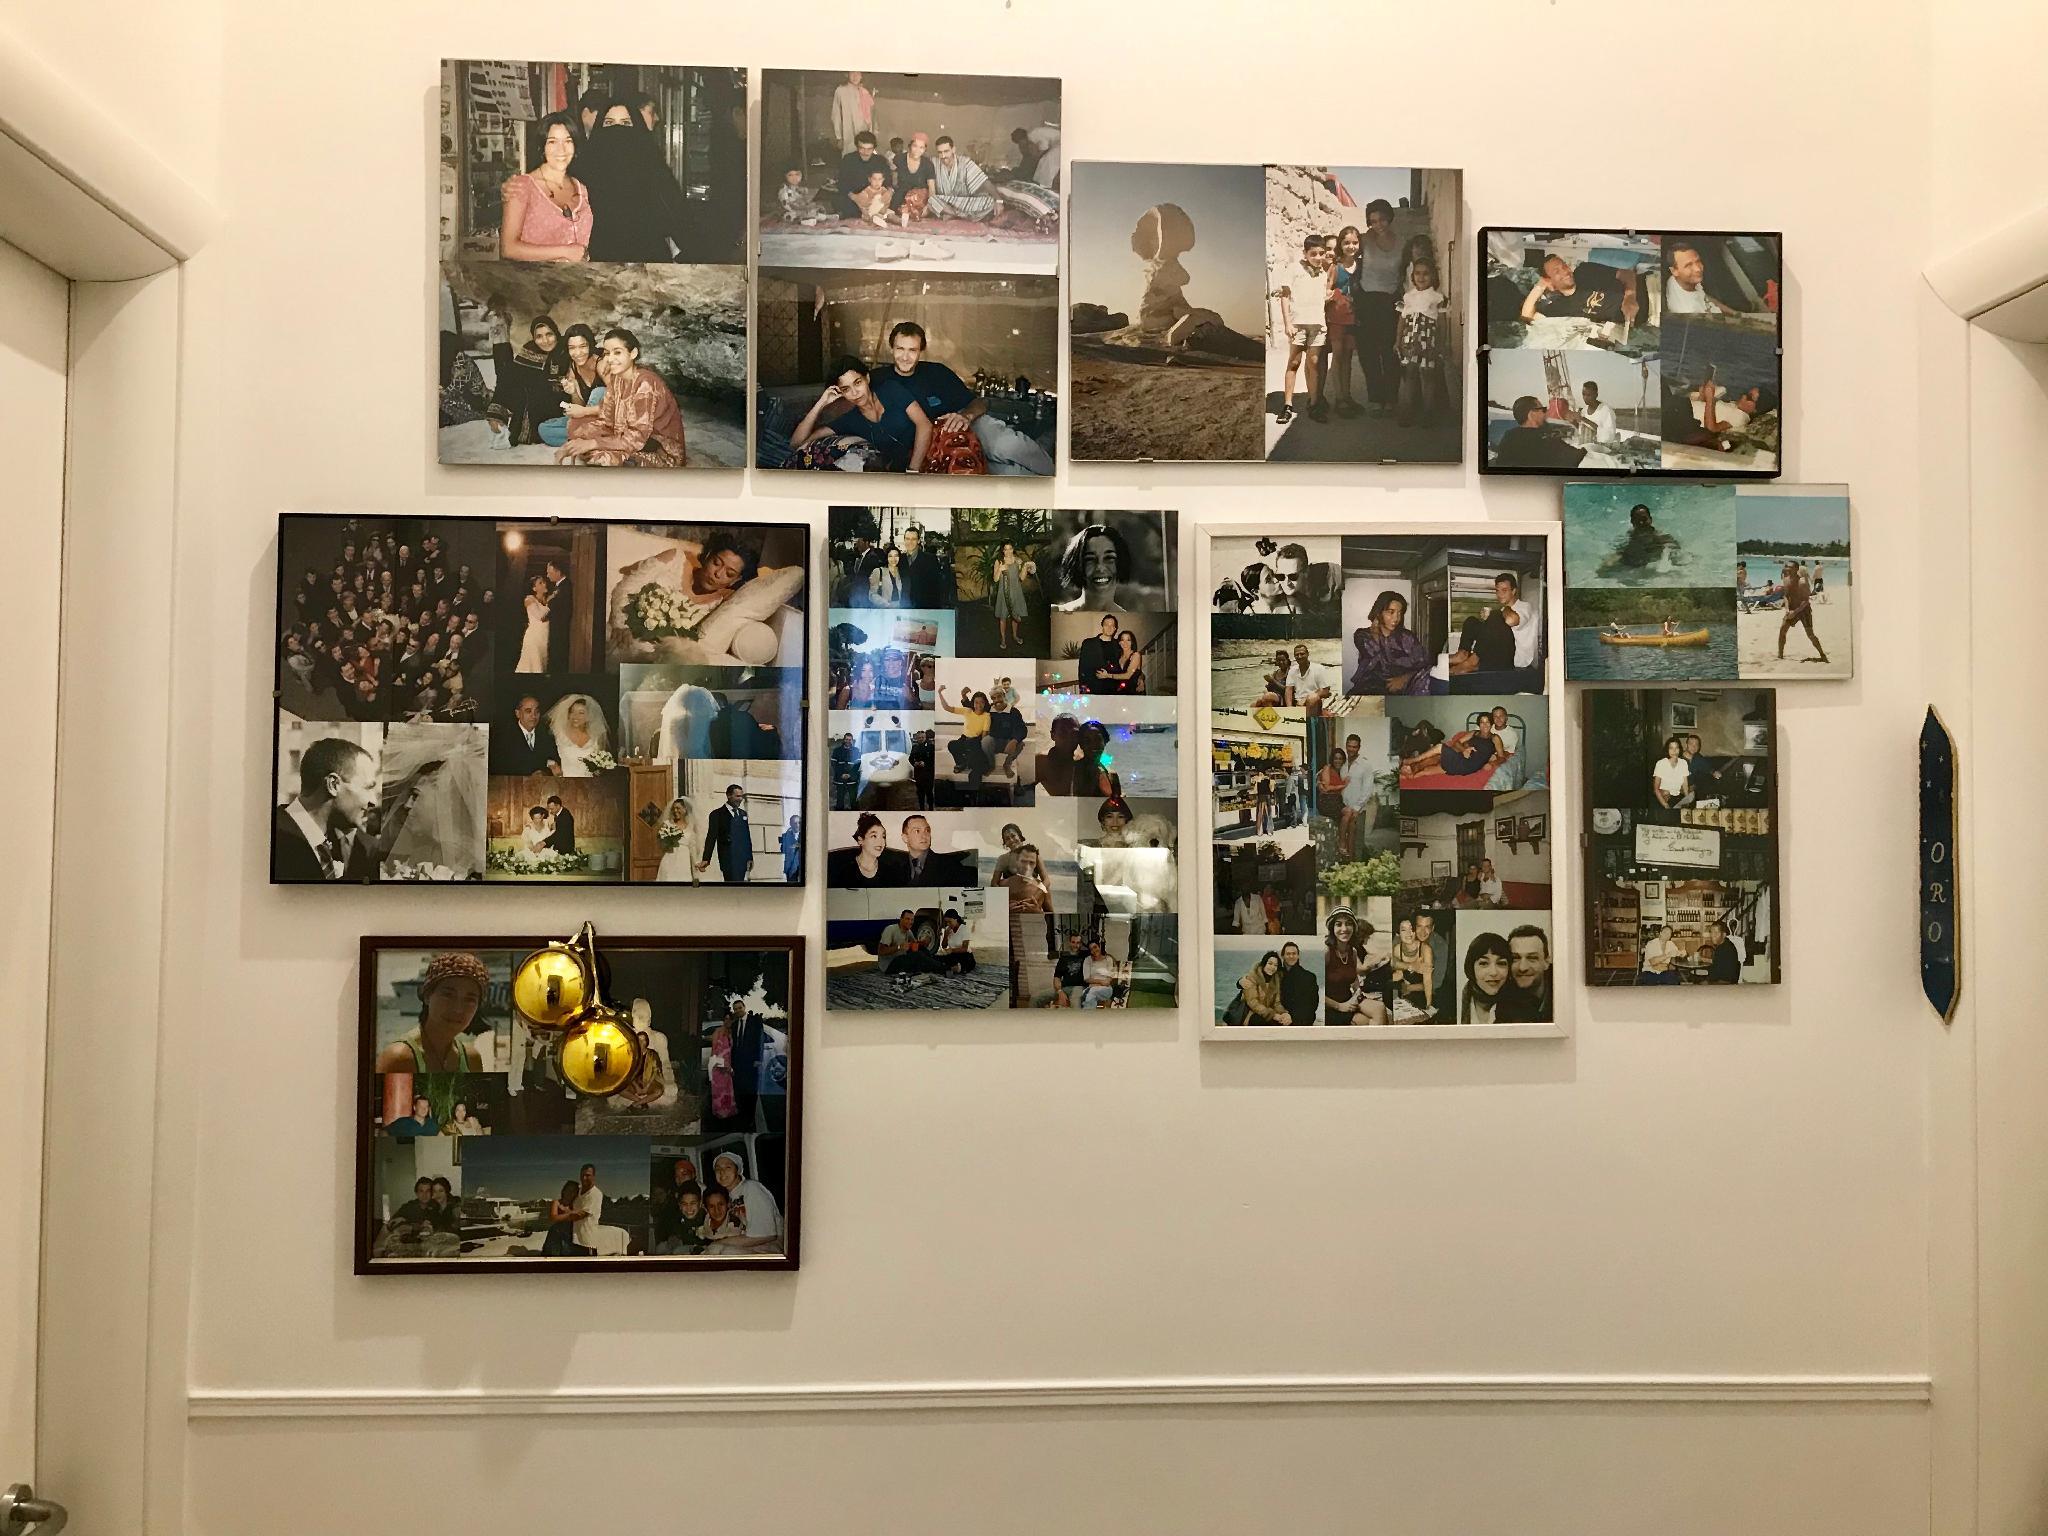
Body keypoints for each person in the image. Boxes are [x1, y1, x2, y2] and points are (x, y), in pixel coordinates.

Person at [554, 328, 688, 467]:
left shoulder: (645, 383)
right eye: (607, 353)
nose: (610, 359)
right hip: (624, 435)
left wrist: (592, 443)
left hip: (657, 448)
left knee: (603, 458)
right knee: (577, 428)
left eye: (617, 352)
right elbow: (606, 420)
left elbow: (636, 439)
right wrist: (579, 438)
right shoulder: (617, 379)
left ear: (633, 353)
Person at [578, 102, 688, 262]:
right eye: (609, 123)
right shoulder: (583, 169)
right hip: (596, 264)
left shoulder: (654, 168)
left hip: (649, 262)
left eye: (625, 123)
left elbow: (677, 217)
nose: (617, 130)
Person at [792, 354, 926, 472]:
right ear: (840, 392)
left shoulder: (891, 390)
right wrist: (821, 403)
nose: (855, 393)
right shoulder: (850, 420)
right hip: (894, 478)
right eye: (846, 389)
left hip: (925, 463)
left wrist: (913, 471)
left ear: (867, 378)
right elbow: (797, 444)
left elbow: (924, 425)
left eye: (857, 383)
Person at [377, 951, 490, 1073]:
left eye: (470, 999)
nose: (458, 1009)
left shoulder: (472, 1060)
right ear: (427, 996)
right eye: (448, 995)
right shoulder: (399, 1059)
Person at [498, 114, 591, 263]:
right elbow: (508, 248)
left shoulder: (581, 188)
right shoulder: (522, 186)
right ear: (542, 147)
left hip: (578, 275)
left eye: (568, 141)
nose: (561, 149)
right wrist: (565, 251)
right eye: (552, 142)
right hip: (533, 276)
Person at [1391, 253, 1451, 427]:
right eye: (1417, 273)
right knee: (1409, 374)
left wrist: (1441, 344)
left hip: (1428, 340)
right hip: (1410, 339)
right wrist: (1398, 341)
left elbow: (1442, 323)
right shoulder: (1408, 297)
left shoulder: (1438, 297)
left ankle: (1428, 413)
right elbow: (1402, 320)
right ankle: (1407, 411)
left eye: (1426, 273)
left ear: (1433, 276)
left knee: (1427, 375)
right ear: (1413, 276)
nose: (1421, 277)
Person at [1277, 235, 1330, 426]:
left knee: (1314, 362)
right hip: (1298, 324)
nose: (1318, 257)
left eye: (1321, 253)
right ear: (1305, 253)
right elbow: (1285, 296)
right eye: (1313, 254)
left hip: (1317, 325)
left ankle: (1314, 403)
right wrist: (1287, 324)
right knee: (1294, 362)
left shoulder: (1323, 273)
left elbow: (1319, 297)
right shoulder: (1294, 269)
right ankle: (1287, 405)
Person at [492, 316, 569, 447]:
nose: (545, 341)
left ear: (556, 333)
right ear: (533, 338)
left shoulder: (567, 350)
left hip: (565, 407)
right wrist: (497, 415)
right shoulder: (529, 351)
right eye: (539, 336)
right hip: (535, 410)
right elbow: (507, 380)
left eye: (549, 334)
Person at [1518, 250, 1641, 329]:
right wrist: (1540, 286)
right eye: (1557, 271)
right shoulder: (1560, 307)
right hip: (1641, 320)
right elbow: (1526, 316)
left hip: (1647, 292)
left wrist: (1630, 296)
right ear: (1549, 281)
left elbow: (1627, 274)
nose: (1565, 271)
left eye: (1564, 265)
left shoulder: (1585, 271)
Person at [536, 324, 608, 448]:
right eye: (572, 348)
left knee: (599, 391)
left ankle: (590, 438)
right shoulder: (573, 368)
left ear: (590, 345)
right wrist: (573, 392)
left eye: (583, 346)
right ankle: (590, 438)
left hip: (607, 419)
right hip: (588, 421)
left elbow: (619, 405)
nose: (578, 353)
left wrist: (585, 411)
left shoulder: (601, 365)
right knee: (544, 428)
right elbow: (580, 407)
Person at [1052, 522, 1150, 612]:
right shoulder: (1055, 613)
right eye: (1090, 559)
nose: (1100, 567)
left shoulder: (1131, 622)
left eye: (1109, 558)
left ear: (1120, 563)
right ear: (1077, 564)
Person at [1349, 591, 1433, 695]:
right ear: (1379, 612)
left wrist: (1404, 678)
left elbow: (1425, 664)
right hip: (1372, 687)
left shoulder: (1407, 637)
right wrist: (1376, 631)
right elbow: (1381, 661)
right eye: (1391, 612)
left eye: (1399, 613)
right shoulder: (1363, 635)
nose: (1396, 618)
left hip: (1404, 688)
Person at [710, 1148, 783, 1252]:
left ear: (738, 1171)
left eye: (728, 1167)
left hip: (771, 1247)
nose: (722, 1172)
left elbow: (766, 1235)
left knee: (721, 1250)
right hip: (751, 1245)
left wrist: (719, 1243)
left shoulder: (751, 1188)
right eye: (718, 1169)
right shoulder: (728, 1197)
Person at [1492, 395, 1587, 469]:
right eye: (1543, 409)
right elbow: (1576, 458)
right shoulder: (1545, 439)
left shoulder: (1509, 437)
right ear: (1531, 415)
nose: (1545, 413)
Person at [928, 134, 995, 221]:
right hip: (944, 201)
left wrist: (999, 200)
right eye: (940, 152)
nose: (943, 156)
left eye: (946, 151)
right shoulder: (933, 163)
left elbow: (983, 181)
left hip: (963, 202)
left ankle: (952, 214)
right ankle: (960, 215)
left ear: (953, 149)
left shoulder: (965, 162)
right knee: (932, 201)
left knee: (990, 202)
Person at [937, 685, 994, 785]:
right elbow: (947, 708)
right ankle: (961, 763)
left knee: (975, 763)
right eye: (976, 702)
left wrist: (982, 750)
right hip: (964, 739)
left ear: (985, 703)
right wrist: (939, 693)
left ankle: (972, 767)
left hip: (976, 742)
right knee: (952, 745)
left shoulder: (986, 716)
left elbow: (984, 736)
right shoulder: (968, 711)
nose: (979, 705)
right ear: (973, 703)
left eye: (982, 702)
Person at [698, 782, 754, 883]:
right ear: (728, 795)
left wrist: (750, 857)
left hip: (742, 860)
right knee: (731, 886)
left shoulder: (743, 814)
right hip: (728, 859)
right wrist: (706, 859)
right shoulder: (717, 814)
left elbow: (746, 837)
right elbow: (711, 837)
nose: (740, 799)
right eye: (737, 796)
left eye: (741, 796)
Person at [1777, 560, 1830, 663]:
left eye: (1790, 567)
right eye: (1786, 566)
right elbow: (1786, 596)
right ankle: (1780, 655)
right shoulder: (1786, 579)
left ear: (1796, 569)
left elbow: (1806, 600)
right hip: (1791, 609)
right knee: (1782, 630)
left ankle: (1822, 655)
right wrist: (1787, 610)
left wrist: (1795, 612)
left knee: (1810, 635)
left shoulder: (1802, 582)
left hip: (1804, 610)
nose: (1787, 569)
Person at [898, 814, 974, 885]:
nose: (924, 836)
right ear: (905, 838)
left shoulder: (949, 865)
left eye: (927, 830)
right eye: (917, 831)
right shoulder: (896, 868)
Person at [1664, 242, 1735, 317]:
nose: (1698, 269)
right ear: (1674, 271)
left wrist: (1735, 313)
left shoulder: (1678, 280)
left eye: (1698, 261)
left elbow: (1704, 297)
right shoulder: (1689, 311)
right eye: (1688, 265)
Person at [828, 812, 898, 887]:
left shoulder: (890, 871)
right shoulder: (843, 870)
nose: (881, 841)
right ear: (860, 840)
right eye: (874, 836)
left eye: (883, 836)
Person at [1498, 925, 1553, 1021]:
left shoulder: (1565, 993)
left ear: (1546, 962)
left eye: (1532, 958)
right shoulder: (1499, 997)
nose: (1522, 967)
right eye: (1515, 958)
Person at [546, 694, 608, 776]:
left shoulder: (595, 737)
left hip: (590, 782)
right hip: (565, 781)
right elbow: (545, 756)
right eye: (572, 712)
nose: (575, 716)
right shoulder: (559, 734)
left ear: (588, 716)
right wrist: (552, 765)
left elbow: (601, 764)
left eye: (581, 713)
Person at [1459, 932, 1513, 1025]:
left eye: (1501, 963)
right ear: (1471, 967)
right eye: (1484, 963)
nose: (1493, 972)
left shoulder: (1523, 1009)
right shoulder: (1454, 1004)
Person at [989, 541, 1033, 651]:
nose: (1008, 551)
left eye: (1010, 549)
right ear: (1003, 551)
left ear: (1013, 549)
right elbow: (995, 579)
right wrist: (1000, 569)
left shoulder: (1018, 560)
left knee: (1015, 616)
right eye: (1006, 549)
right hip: (1003, 593)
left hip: (1016, 592)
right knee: (1003, 618)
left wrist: (1025, 567)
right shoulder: (999, 561)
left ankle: (1015, 636)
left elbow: (1021, 578)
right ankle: (1003, 639)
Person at [1232, 951, 1291, 1025]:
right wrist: (1272, 1015)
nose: (1272, 967)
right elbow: (1253, 1002)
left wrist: (1284, 1013)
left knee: (1284, 1022)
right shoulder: (1252, 977)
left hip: (1267, 1013)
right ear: (1264, 964)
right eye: (1270, 963)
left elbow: (1277, 1003)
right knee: (1262, 1021)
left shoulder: (1276, 980)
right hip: (1250, 1014)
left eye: (1275, 965)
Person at [1392, 916, 1433, 1013]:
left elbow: (1428, 981)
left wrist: (1429, 1005)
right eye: (1403, 930)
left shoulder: (1425, 949)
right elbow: (1399, 974)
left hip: (1422, 997)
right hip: (1404, 998)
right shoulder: (1397, 949)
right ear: (1398, 933)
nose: (1408, 933)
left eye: (1411, 929)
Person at [1286, 641, 1340, 714]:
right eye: (1297, 655)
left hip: (1315, 703)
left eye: (1302, 654)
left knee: (1312, 698)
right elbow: (1288, 690)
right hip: (1298, 703)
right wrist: (1289, 707)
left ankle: (1307, 720)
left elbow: (1325, 690)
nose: (1299, 656)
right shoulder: (1293, 670)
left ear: (1307, 654)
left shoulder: (1319, 668)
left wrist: (1305, 699)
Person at [893, 132, 936, 222]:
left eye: (921, 147)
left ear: (925, 149)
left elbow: (932, 189)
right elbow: (893, 182)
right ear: (910, 146)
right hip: (901, 198)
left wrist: (929, 206)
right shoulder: (899, 159)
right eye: (915, 146)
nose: (917, 150)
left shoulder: (928, 164)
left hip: (919, 200)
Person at [657, 796, 698, 884]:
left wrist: (695, 873)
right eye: (674, 808)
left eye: (678, 808)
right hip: (669, 860)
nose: (675, 811)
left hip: (684, 864)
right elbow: (663, 845)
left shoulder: (691, 828)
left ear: (685, 810)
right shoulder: (667, 825)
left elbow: (693, 851)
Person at [1568, 379, 1618, 449]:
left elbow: (1609, 436)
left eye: (1588, 395)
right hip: (1585, 446)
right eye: (1583, 394)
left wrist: (1583, 419)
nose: (1585, 398)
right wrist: (1573, 421)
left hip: (1601, 448)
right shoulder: (1584, 410)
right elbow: (1580, 430)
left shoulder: (1606, 410)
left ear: (1596, 395)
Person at [831, 71, 873, 154]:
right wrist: (839, 137)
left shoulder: (864, 92)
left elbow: (869, 116)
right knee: (849, 156)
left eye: (858, 73)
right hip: (848, 133)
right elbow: (836, 115)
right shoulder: (840, 91)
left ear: (861, 75)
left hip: (863, 131)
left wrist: (870, 134)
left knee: (864, 155)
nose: (855, 76)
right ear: (847, 74)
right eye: (852, 73)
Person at [1010, 122, 1061, 186]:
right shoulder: (1032, 137)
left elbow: (1044, 148)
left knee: (1047, 161)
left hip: (1060, 142)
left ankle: (1045, 185)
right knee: (1042, 162)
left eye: (1021, 143)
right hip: (1055, 144)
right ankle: (1039, 182)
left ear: (1022, 138)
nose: (1022, 145)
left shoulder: (1032, 135)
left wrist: (1036, 157)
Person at [540, 1179, 583, 1257]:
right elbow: (553, 1217)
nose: (570, 1193)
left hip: (569, 1234)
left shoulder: (576, 1204)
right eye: (568, 1190)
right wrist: (569, 1215)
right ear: (564, 1190)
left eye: (573, 1191)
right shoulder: (557, 1202)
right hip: (556, 1233)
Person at [1652, 736, 1691, 815]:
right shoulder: (1661, 763)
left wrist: (1687, 801)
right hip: (1662, 799)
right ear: (1667, 749)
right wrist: (1665, 805)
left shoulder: (1683, 763)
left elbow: (1685, 786)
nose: (1674, 751)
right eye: (1671, 748)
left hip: (1677, 799)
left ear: (1680, 749)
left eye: (1676, 748)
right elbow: (1656, 789)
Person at [570, 1163, 604, 1255]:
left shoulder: (595, 1194)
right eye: (582, 1175)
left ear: (594, 1176)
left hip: (588, 1242)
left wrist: (558, 1216)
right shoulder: (577, 1191)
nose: (584, 1178)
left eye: (588, 1175)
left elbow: (580, 1215)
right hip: (574, 1240)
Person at [1053, 933, 1089, 1006]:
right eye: (1073, 942)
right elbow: (1057, 977)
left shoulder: (1086, 955)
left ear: (1081, 944)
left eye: (1078, 942)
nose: (1075, 945)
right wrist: (1060, 991)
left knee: (1075, 1003)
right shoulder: (1063, 958)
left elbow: (1100, 953)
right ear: (1069, 943)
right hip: (1064, 988)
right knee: (1036, 998)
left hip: (1079, 987)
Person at [1080, 940, 1118, 1008]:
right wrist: (1100, 981)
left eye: (1095, 947)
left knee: (1089, 993)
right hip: (1091, 988)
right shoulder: (1088, 960)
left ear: (1099, 946)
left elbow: (1108, 980)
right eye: (1091, 949)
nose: (1094, 950)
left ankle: (1086, 1014)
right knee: (1090, 995)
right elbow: (1086, 979)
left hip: (1106, 989)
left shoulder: (1108, 959)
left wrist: (1096, 983)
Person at [1704, 919, 1742, 983]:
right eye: (1711, 932)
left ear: (1724, 935)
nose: (1713, 935)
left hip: (1724, 983)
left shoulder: (1724, 948)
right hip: (1723, 980)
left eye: (1716, 932)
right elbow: (1718, 964)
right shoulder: (1725, 945)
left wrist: (1706, 981)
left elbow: (1716, 974)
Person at [780, 815, 803, 884]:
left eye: (799, 823)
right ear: (791, 824)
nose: (797, 825)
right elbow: (783, 850)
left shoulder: (805, 835)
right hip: (790, 867)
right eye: (795, 823)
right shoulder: (786, 835)